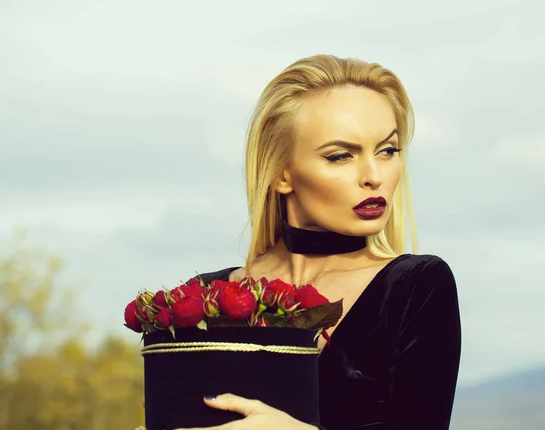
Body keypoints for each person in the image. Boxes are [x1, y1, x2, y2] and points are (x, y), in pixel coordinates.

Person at [138, 54, 461, 430]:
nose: (374, 176)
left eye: (387, 150)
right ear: (281, 174)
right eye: (341, 156)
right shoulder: (207, 297)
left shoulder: (415, 286)